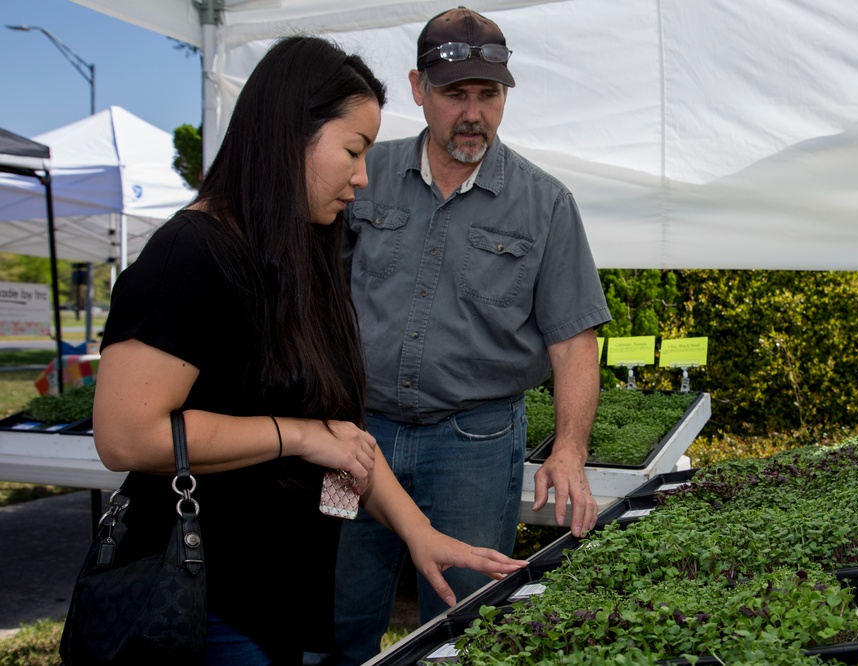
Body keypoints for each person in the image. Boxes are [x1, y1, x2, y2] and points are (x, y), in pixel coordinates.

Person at [89, 35, 526, 666]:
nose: (362, 177)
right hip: (208, 608)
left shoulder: (302, 255)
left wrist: (420, 534)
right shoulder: (188, 256)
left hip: (287, 606)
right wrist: (294, 436)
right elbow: (126, 437)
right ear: (288, 135)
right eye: (353, 150)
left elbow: (337, 435)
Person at [332, 7, 612, 663]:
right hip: (357, 435)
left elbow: (573, 341)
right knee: (338, 612)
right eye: (456, 94)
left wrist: (569, 448)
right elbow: (318, 294)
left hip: (474, 443)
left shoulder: (545, 204)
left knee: (466, 623)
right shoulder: (363, 175)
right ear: (417, 89)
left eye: (489, 95)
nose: (473, 113)